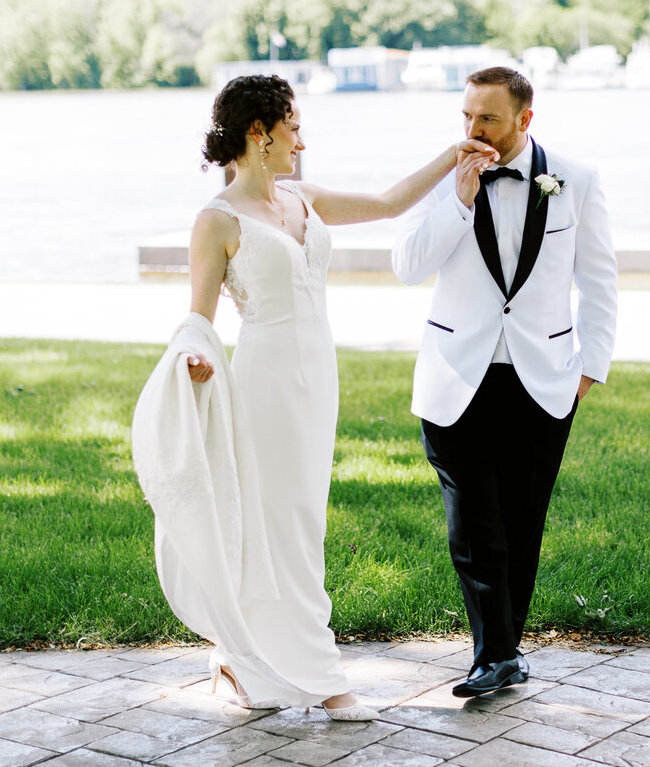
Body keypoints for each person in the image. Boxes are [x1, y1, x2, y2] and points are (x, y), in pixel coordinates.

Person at [134, 75, 497, 722]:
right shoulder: (216, 219)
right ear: (259, 132)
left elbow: (388, 203)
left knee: (302, 522)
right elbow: (199, 316)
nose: (303, 137)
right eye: (294, 125)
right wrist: (193, 359)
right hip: (266, 382)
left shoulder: (302, 196)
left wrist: (454, 156)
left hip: (317, 379)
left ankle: (236, 656)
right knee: (285, 528)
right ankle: (325, 679)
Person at [392, 67, 619, 698]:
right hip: (455, 375)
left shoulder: (578, 179)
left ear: (524, 119)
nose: (473, 131)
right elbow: (406, 264)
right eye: (466, 116)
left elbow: (599, 283)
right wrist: (459, 200)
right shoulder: (448, 177)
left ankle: (503, 651)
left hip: (542, 380)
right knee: (472, 524)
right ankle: (495, 654)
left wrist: (588, 370)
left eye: (487, 119)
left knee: (522, 521)